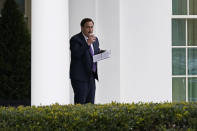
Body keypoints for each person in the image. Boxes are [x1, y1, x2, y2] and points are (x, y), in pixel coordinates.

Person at [69, 18, 100, 104]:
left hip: (91, 77)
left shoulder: (95, 39)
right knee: (80, 104)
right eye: (87, 27)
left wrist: (102, 53)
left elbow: (94, 53)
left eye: (92, 27)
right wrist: (87, 43)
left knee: (90, 105)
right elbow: (76, 54)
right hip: (80, 78)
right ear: (82, 28)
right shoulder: (75, 39)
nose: (90, 30)